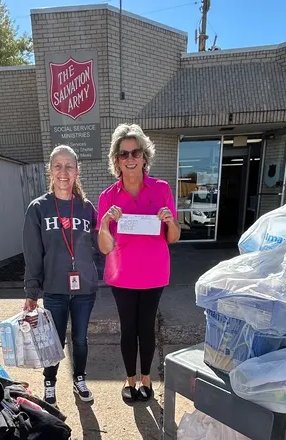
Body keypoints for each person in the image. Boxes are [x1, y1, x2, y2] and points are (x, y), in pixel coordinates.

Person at [97, 124, 181, 402]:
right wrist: (106, 223)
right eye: (123, 154)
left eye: (135, 152)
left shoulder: (161, 189)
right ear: (116, 160)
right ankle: (129, 379)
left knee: (146, 327)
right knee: (127, 328)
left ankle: (147, 378)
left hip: (154, 273)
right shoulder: (108, 197)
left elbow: (173, 237)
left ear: (145, 156)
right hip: (122, 275)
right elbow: (104, 246)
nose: (130, 158)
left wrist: (170, 222)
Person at [23, 145, 98, 406]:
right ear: (51, 171)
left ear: (77, 171)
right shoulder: (38, 208)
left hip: (84, 289)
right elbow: (33, 254)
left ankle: (79, 379)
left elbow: (102, 244)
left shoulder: (87, 208)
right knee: (52, 340)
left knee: (80, 338)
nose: (63, 171)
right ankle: (50, 381)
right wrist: (31, 292)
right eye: (58, 166)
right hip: (54, 288)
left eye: (69, 166)